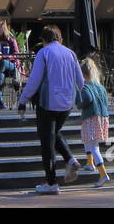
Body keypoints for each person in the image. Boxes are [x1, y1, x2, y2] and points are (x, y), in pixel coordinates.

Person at [17, 24, 84, 195]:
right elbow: (80, 80)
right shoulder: (70, 53)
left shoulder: (44, 53)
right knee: (54, 133)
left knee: (47, 143)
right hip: (66, 103)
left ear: (44, 40)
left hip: (48, 102)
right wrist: (78, 98)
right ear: (59, 38)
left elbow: (34, 80)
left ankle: (51, 182)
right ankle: (70, 159)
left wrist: (23, 100)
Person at [75, 58, 111, 187]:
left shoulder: (84, 87)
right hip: (102, 117)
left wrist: (78, 102)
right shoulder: (100, 86)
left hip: (91, 118)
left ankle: (103, 174)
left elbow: (86, 99)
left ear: (82, 74)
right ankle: (90, 163)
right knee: (87, 140)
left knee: (94, 147)